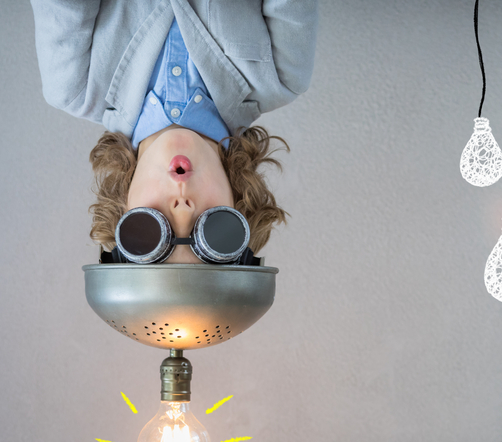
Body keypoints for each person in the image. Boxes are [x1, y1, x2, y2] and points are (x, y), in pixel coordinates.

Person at [30, 0, 318, 262]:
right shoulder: (282, 76)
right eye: (214, 226)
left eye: (150, 226)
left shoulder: (73, 84)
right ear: (240, 206)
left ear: (121, 211)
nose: (182, 207)